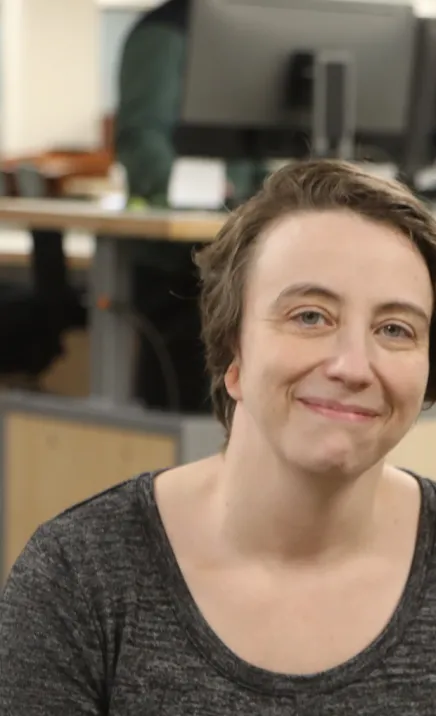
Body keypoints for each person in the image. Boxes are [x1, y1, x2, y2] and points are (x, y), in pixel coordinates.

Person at [0, 160, 436, 716]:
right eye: (310, 316)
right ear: (232, 354)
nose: (354, 364)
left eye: (396, 329)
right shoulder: (77, 578)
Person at [115, 0, 265, 413]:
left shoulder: (247, 36)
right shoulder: (167, 31)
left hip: (240, 246)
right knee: (186, 402)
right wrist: (201, 196)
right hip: (176, 262)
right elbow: (143, 142)